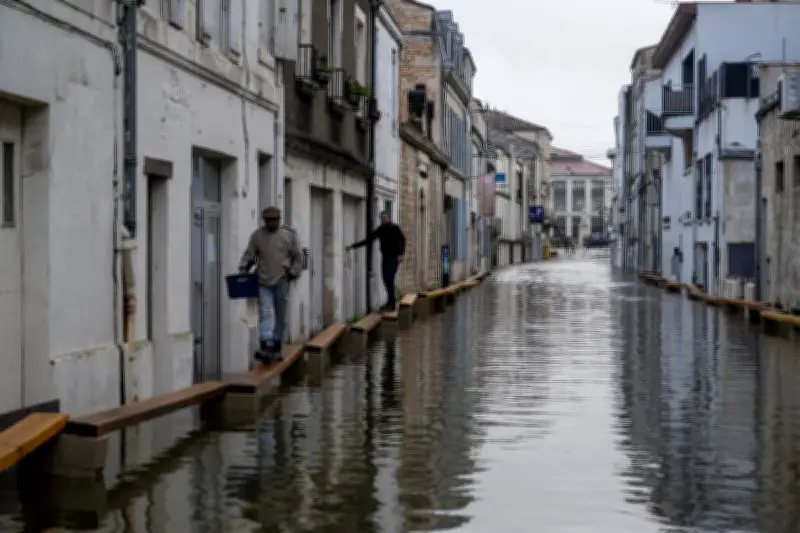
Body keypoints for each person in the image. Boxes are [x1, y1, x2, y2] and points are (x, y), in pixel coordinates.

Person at [239, 206, 303, 363]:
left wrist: (292, 273)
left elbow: (298, 258)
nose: (271, 223)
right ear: (264, 221)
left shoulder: (289, 235)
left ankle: (276, 346)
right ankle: (266, 344)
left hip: (282, 281)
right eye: (268, 220)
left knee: (281, 318)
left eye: (274, 220)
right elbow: (250, 254)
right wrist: (244, 265)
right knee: (266, 313)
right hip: (263, 282)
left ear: (279, 220)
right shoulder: (257, 236)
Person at [346, 211, 405, 311]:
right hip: (385, 257)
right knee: (385, 279)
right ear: (380, 219)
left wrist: (401, 254)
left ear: (389, 218)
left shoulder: (395, 228)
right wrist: (352, 246)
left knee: (389, 278)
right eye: (382, 218)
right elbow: (368, 240)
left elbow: (402, 240)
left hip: (394, 257)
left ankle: (392, 303)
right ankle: (390, 301)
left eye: (386, 217)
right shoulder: (380, 230)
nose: (384, 219)